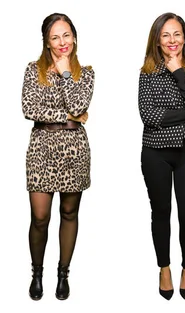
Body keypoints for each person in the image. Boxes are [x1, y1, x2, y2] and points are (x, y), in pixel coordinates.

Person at [138, 12, 185, 300]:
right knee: (161, 213)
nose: (172, 40)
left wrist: (178, 71)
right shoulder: (147, 71)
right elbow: (148, 115)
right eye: (166, 35)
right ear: (157, 41)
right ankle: (164, 267)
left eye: (177, 34)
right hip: (155, 152)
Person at [22, 12, 94, 301]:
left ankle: (63, 273)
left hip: (74, 150)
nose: (62, 42)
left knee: (69, 212)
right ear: (46, 42)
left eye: (66, 35)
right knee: (40, 217)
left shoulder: (85, 72)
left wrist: (66, 73)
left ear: (74, 37)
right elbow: (29, 109)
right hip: (41, 148)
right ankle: (36, 272)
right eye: (55, 37)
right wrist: (69, 116)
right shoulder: (33, 69)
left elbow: (80, 103)